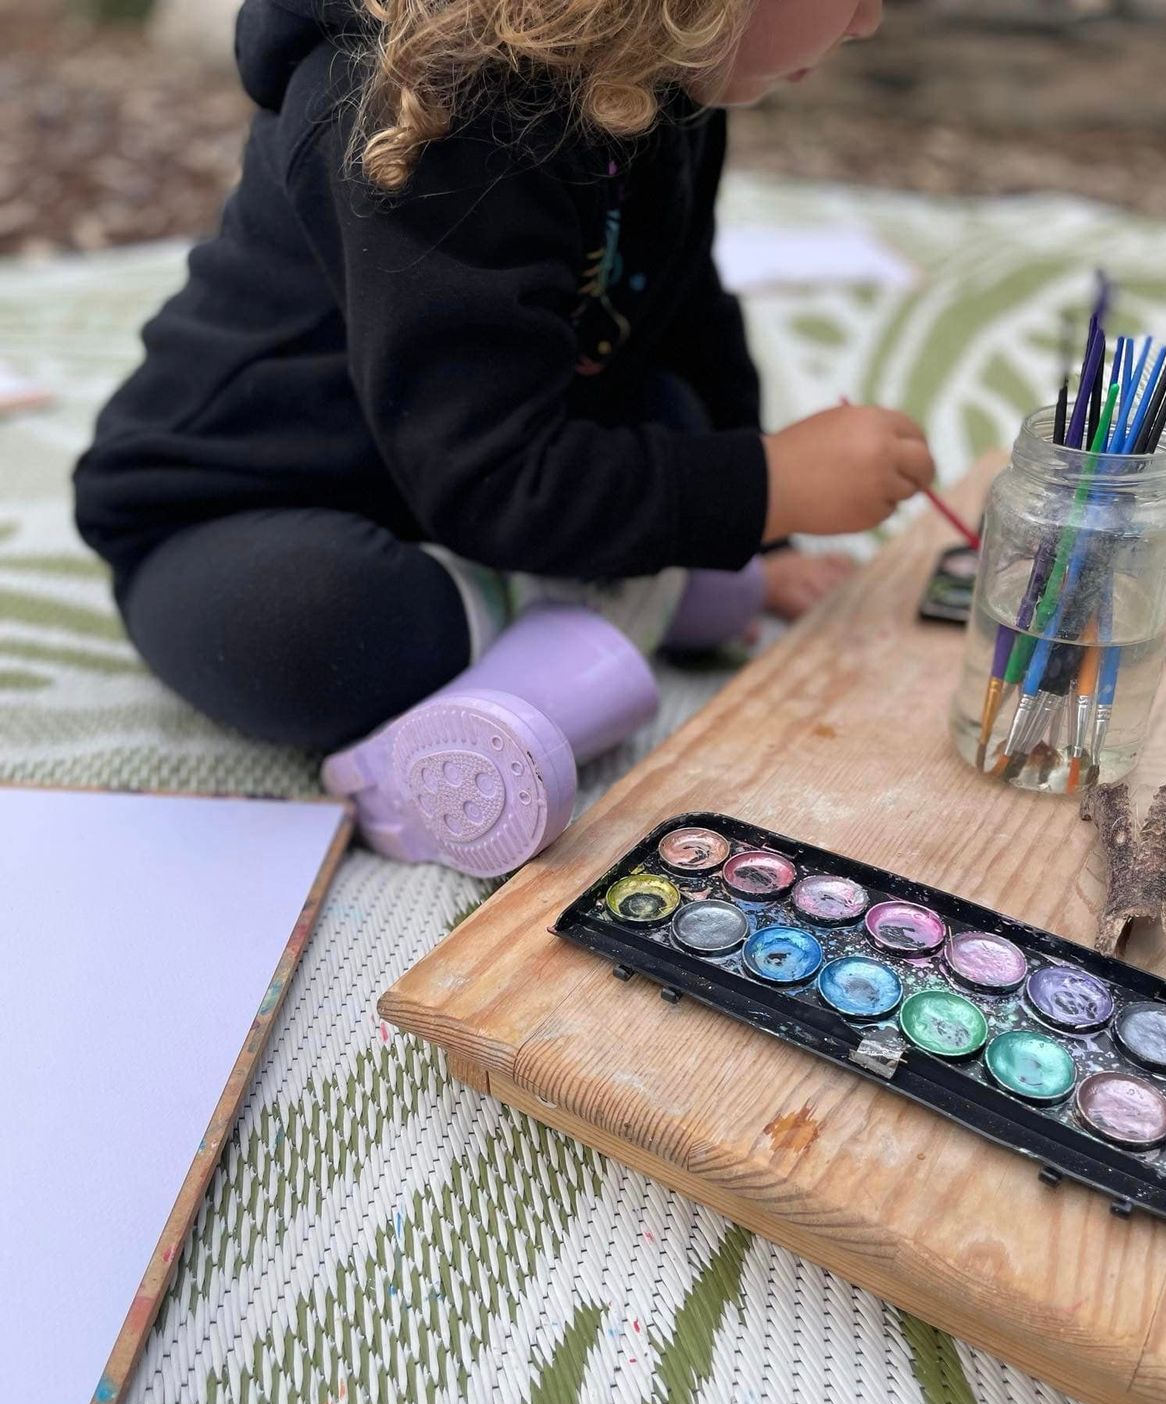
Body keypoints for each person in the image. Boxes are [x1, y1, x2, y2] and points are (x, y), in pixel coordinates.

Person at [74, 0, 935, 878]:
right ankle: (608, 601)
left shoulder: (666, 77)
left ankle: (598, 593)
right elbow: (496, 480)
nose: (871, 21)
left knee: (676, 409)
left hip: (479, 460)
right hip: (241, 512)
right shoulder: (429, 107)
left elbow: (684, 316)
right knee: (319, 628)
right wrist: (765, 484)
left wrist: (766, 527)